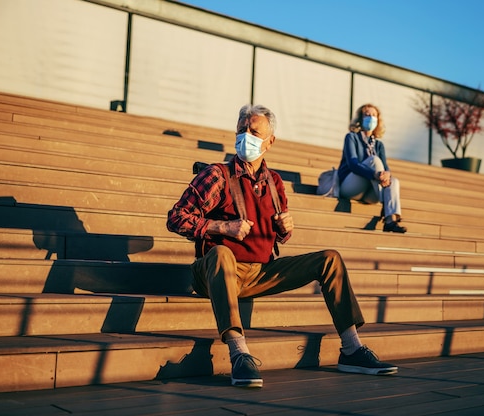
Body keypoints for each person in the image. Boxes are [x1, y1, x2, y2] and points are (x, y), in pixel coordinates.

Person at [167, 104, 397, 388]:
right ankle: (239, 353)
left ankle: (351, 349)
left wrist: (283, 230)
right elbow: (176, 218)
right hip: (213, 273)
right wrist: (221, 227)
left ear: (270, 141)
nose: (245, 137)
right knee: (222, 253)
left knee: (330, 258)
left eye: (253, 131)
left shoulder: (274, 182)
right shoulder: (216, 175)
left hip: (260, 272)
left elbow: (276, 239)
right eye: (241, 130)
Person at [337, 104, 407, 233]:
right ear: (360, 118)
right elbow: (353, 164)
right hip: (350, 187)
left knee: (394, 181)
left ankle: (390, 220)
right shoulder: (351, 137)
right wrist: (375, 175)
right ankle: (388, 208)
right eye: (367, 115)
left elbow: (386, 169)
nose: (371, 118)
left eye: (374, 115)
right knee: (373, 160)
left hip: (370, 193)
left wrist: (385, 176)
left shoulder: (379, 145)